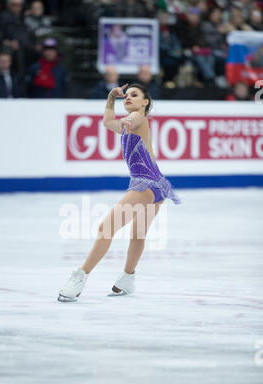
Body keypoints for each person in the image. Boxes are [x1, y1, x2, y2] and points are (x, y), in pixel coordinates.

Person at [58, 83, 181, 302]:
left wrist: (127, 119)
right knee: (137, 234)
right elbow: (107, 122)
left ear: (145, 102)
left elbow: (132, 120)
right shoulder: (129, 122)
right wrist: (110, 99)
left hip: (146, 184)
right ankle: (127, 277)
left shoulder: (138, 119)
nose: (128, 98)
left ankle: (80, 277)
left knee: (106, 228)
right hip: (157, 185)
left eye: (135, 95)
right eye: (127, 95)